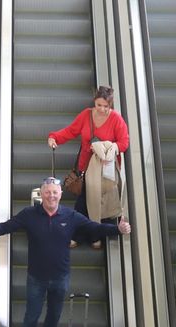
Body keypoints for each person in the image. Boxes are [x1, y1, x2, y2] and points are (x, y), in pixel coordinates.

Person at [0, 177, 132, 327]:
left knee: (54, 313)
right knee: (32, 313)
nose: (51, 196)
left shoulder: (70, 216)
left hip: (60, 278)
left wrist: (118, 229)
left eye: (55, 192)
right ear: (42, 194)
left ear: (61, 195)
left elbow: (94, 227)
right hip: (36, 278)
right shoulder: (29, 215)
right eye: (47, 192)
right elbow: (5, 227)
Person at [47, 85, 130, 250]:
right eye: (99, 105)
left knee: (97, 203)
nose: (102, 109)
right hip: (85, 168)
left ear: (111, 105)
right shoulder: (86, 115)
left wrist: (110, 148)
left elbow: (124, 142)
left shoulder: (116, 120)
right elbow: (71, 131)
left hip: (104, 171)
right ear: (94, 102)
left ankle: (90, 236)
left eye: (106, 106)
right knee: (83, 203)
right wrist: (54, 137)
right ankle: (88, 236)